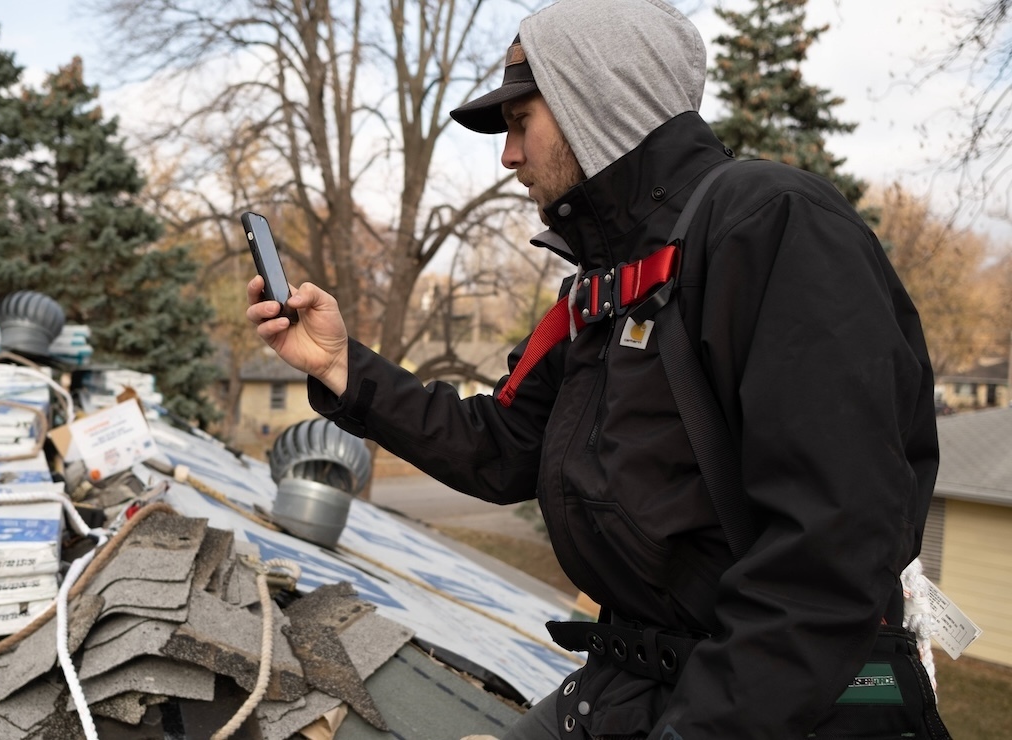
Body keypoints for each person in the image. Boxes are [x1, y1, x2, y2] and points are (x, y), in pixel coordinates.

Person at [246, 0, 949, 737]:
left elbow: (835, 541)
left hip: (777, 703)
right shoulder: (604, 288)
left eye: (521, 122)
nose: (508, 156)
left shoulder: (768, 225)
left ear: (595, 101)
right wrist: (341, 367)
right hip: (632, 687)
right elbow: (503, 445)